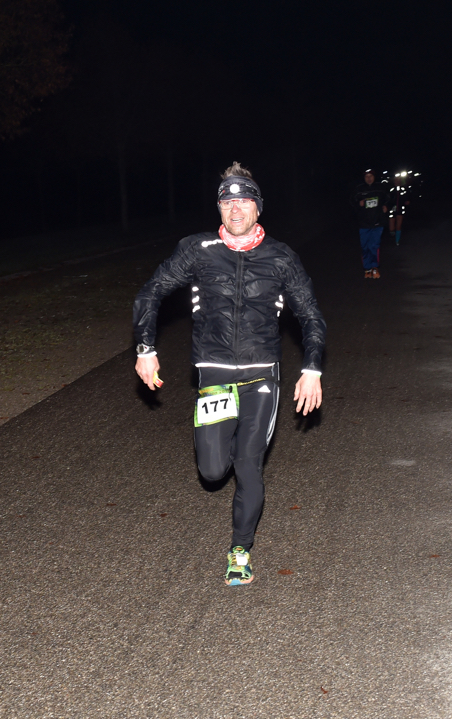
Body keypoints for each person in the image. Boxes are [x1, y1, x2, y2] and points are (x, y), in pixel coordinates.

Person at [132, 162, 326, 586]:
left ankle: (240, 550)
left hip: (261, 376)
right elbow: (151, 292)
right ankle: (226, 457)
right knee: (213, 471)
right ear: (219, 208)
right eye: (227, 201)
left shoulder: (281, 256)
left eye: (243, 200)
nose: (235, 208)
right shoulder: (196, 250)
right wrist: (145, 350)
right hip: (215, 374)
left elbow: (311, 315)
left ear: (258, 208)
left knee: (248, 463)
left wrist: (311, 368)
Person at [354, 169, 386, 278]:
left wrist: (386, 206)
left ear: (374, 177)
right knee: (365, 246)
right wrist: (359, 203)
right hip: (364, 223)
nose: (369, 178)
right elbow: (351, 202)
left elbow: (388, 198)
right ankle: (367, 269)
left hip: (377, 222)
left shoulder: (380, 188)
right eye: (366, 176)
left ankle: (375, 267)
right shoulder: (359, 189)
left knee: (374, 245)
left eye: (371, 176)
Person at [387, 171, 410, 246]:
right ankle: (391, 236)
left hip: (400, 209)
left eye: (398, 179)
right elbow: (387, 198)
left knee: (398, 226)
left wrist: (407, 201)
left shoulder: (404, 189)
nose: (397, 181)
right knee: (391, 228)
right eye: (396, 179)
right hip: (392, 209)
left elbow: (407, 197)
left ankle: (397, 241)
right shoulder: (390, 189)